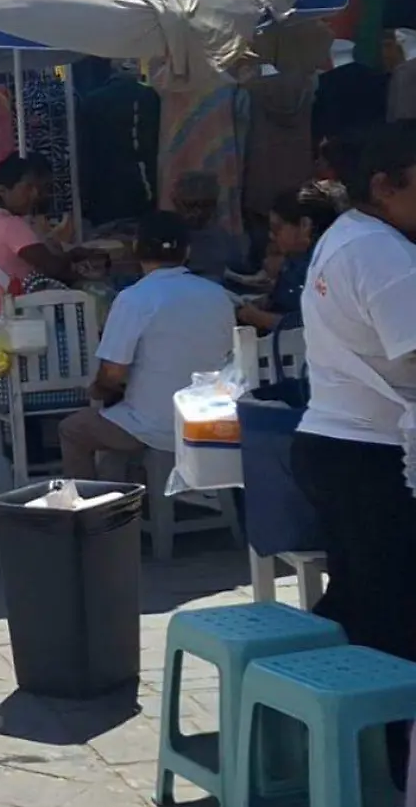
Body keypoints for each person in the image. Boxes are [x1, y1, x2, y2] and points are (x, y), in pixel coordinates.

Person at [294, 121, 416, 668]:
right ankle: (380, 746)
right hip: (371, 453)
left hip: (338, 441)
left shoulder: (349, 235)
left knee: (357, 604)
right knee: (388, 617)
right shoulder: (382, 253)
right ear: (385, 184)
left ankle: (309, 721)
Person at [57, 212, 236, 479]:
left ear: (136, 249)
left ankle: (89, 516)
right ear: (186, 251)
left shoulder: (134, 299)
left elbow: (113, 374)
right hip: (211, 420)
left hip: (156, 426)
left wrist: (97, 392)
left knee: (73, 430)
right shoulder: (219, 296)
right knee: (113, 431)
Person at [0, 153, 83, 341]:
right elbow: (53, 267)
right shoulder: (11, 225)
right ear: (3, 190)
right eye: (27, 188)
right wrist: (77, 257)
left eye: (35, 188)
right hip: (6, 323)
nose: (34, 195)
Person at [237, 183, 340, 333]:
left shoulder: (324, 265)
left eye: (277, 228)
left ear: (305, 225)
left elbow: (310, 323)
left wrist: (258, 317)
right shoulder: (293, 260)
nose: (272, 236)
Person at [173, 171, 247, 282]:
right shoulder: (170, 238)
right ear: (177, 203)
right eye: (190, 205)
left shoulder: (227, 241)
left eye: (205, 205)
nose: (197, 212)